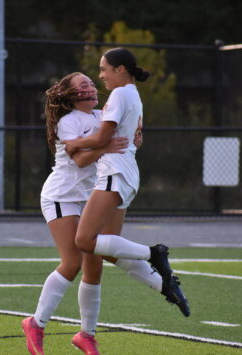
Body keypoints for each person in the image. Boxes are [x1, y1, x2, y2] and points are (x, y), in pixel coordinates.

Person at [22, 72, 167, 355]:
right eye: (83, 85)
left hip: (90, 196)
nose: (90, 86)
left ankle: (86, 335)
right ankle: (35, 323)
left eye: (91, 82)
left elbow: (124, 143)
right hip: (62, 196)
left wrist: (134, 139)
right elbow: (79, 160)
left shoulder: (104, 114)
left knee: (95, 265)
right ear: (70, 94)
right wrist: (106, 146)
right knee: (73, 262)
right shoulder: (68, 121)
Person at [64, 48, 190, 318]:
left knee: (84, 240)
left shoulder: (120, 94)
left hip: (115, 173)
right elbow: (125, 137)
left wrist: (75, 142)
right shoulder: (132, 94)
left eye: (104, 69)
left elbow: (101, 140)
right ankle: (164, 284)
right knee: (108, 248)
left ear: (120, 70)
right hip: (126, 174)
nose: (101, 76)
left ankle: (153, 253)